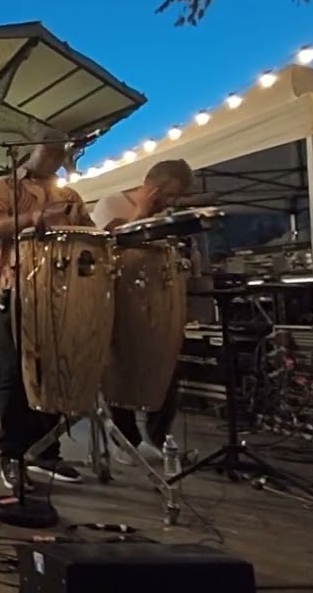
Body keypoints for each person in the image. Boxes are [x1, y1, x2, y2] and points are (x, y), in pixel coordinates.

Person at [0, 131, 90, 491]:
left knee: (55, 371)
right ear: (30, 150)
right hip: (20, 287)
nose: (56, 156)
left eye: (61, 151)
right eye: (49, 149)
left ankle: (46, 452)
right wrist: (37, 218)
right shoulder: (6, 186)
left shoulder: (69, 194)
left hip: (63, 292)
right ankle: (12, 454)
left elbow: (89, 233)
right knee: (17, 374)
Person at [91, 159, 194, 461]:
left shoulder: (166, 217)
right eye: (168, 194)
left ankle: (160, 437)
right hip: (122, 300)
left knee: (166, 366)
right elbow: (109, 248)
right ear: (153, 186)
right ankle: (127, 439)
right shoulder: (111, 204)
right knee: (122, 366)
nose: (171, 202)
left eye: (176, 197)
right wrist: (141, 214)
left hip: (156, 300)